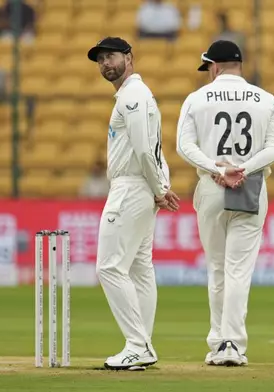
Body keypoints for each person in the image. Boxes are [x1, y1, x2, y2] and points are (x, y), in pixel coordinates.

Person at [176, 40, 274, 366]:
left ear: (213, 66)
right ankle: (232, 344)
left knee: (217, 269)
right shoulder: (266, 99)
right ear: (238, 64)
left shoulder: (197, 98)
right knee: (239, 270)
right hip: (249, 185)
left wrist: (218, 168)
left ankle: (217, 341)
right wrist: (244, 168)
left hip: (212, 186)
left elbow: (184, 146)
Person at [87, 37, 180, 371]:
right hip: (141, 186)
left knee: (109, 267)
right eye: (100, 60)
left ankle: (137, 345)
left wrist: (159, 187)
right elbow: (154, 147)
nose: (105, 64)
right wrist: (159, 185)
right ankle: (143, 343)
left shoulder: (133, 95)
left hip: (132, 187)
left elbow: (144, 148)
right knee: (140, 267)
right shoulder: (133, 95)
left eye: (110, 56)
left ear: (129, 57)